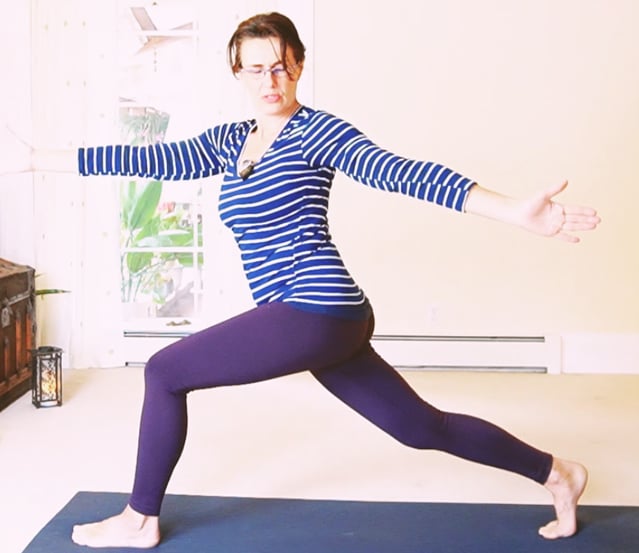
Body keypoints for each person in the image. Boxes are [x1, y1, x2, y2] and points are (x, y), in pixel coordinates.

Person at [70, 11, 600, 549]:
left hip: (315, 306)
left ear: (298, 65)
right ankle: (559, 474)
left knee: (164, 371)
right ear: (237, 73)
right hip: (326, 319)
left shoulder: (319, 132)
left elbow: (400, 171)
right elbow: (158, 158)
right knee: (420, 429)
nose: (268, 82)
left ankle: (139, 519)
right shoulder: (231, 141)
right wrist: (42, 161)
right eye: (254, 70)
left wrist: (513, 211)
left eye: (279, 67)